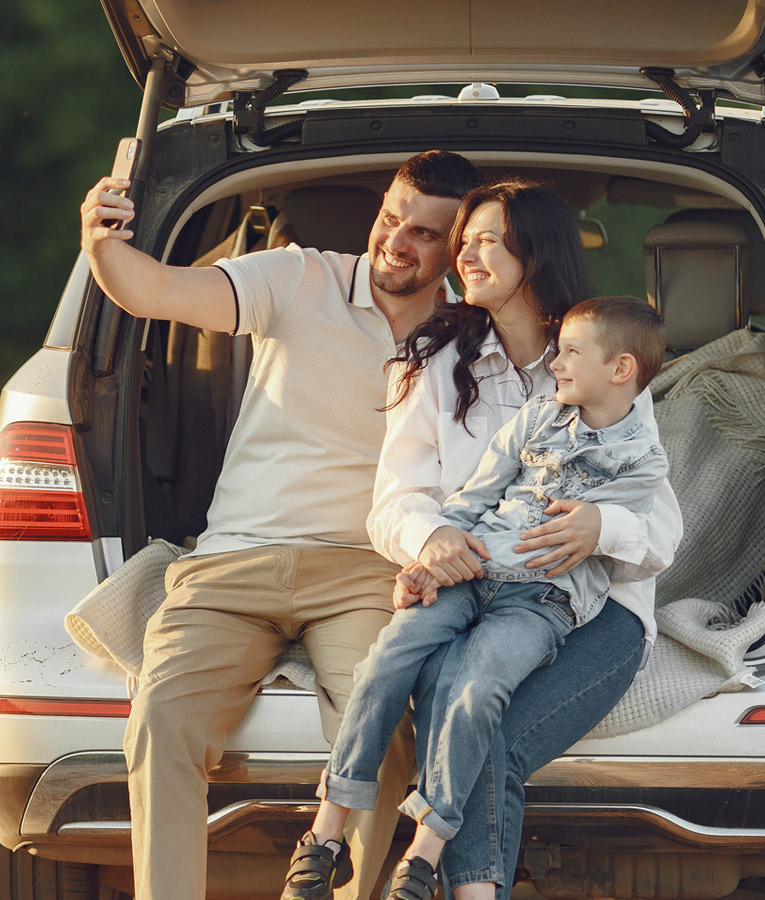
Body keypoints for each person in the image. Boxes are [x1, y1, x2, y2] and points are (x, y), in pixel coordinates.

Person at [80, 150, 483, 900]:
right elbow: (151, 289)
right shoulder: (297, 276)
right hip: (234, 562)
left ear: (458, 248)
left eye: (426, 234)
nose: (397, 242)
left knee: (387, 723)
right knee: (161, 717)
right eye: (392, 218)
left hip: (369, 570)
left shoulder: (470, 338)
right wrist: (102, 242)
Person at [285, 181, 682, 900]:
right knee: (454, 705)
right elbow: (394, 504)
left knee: (479, 724)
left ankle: (425, 867)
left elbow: (660, 535)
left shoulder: (603, 362)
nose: (465, 255)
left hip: (594, 606)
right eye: (462, 241)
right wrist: (430, 542)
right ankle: (377, 854)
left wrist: (602, 527)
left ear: (536, 254)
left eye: (486, 240)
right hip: (470, 578)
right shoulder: (432, 362)